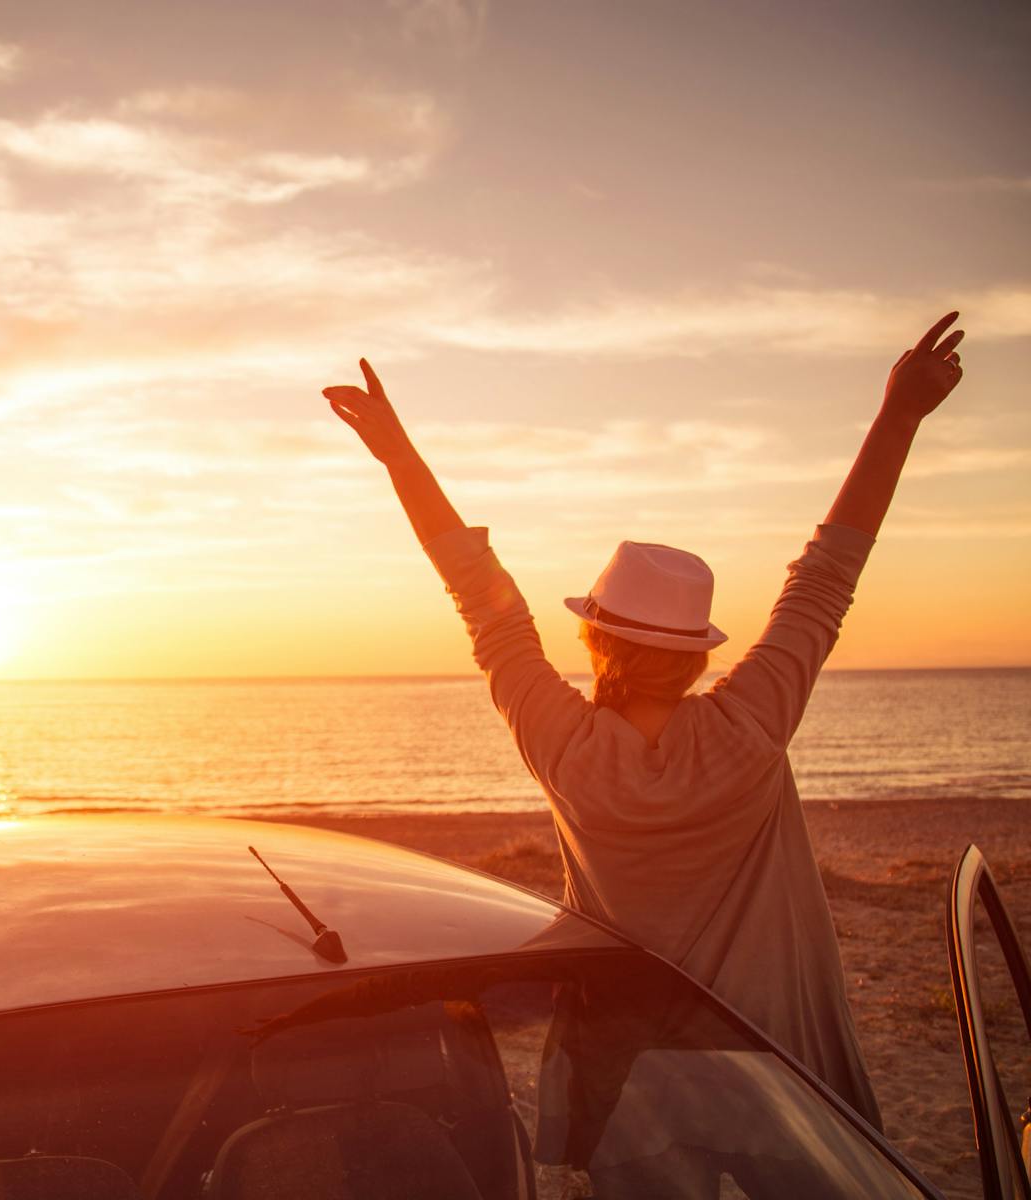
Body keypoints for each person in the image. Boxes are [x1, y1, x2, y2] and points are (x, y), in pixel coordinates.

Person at [322, 312, 968, 1138]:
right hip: (781, 1075)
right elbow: (827, 574)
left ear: (592, 637)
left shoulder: (566, 747)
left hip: (630, 1086)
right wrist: (898, 415)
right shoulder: (753, 725)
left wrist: (397, 454)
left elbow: (482, 597)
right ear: (698, 656)